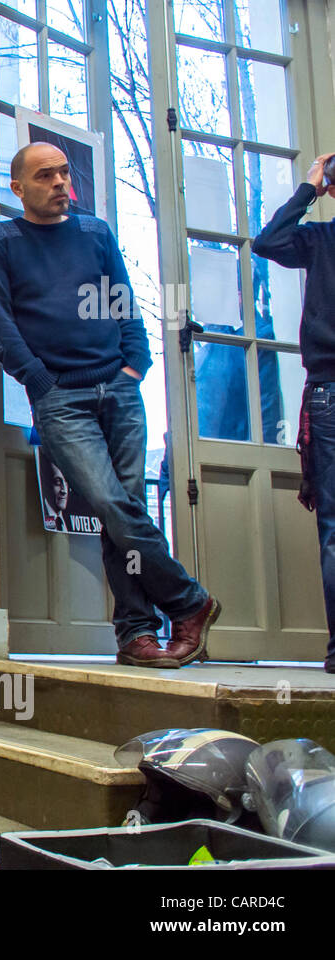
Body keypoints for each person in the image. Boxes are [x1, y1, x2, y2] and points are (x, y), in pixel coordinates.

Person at [0, 142, 220, 669]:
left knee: (125, 511)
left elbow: (123, 300)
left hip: (119, 389)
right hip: (61, 398)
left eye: (65, 172)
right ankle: (189, 603)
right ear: (18, 188)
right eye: (46, 175)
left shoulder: (95, 233)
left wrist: (135, 364)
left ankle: (136, 634)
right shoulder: (1, 240)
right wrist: (40, 383)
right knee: (113, 505)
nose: (61, 182)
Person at [252, 151, 335, 674]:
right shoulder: (322, 242)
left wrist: (312, 188)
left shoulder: (322, 241)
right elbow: (267, 243)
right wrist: (311, 190)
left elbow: (270, 241)